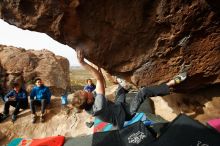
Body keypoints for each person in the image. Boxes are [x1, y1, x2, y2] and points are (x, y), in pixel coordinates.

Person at [72, 49, 187, 129]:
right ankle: (171, 84)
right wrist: (82, 63)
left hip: (117, 106)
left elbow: (98, 78)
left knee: (121, 88)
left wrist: (98, 64)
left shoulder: (88, 103)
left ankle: (128, 88)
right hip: (125, 115)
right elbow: (99, 79)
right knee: (143, 92)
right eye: (87, 93)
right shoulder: (99, 106)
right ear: (89, 101)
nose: (88, 91)